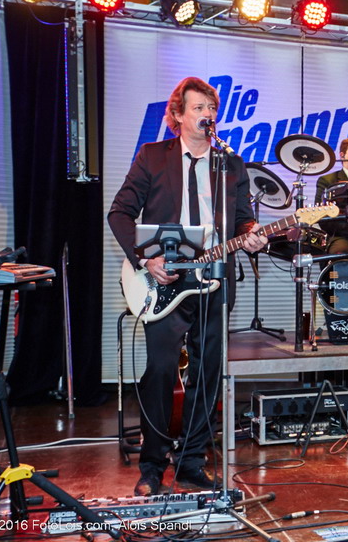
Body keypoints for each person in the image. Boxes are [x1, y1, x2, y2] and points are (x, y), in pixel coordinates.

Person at [108, 77, 268, 496]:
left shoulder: (230, 164)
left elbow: (242, 220)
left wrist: (251, 235)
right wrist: (145, 259)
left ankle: (192, 461)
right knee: (161, 369)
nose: (207, 115)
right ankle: (152, 465)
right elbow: (120, 213)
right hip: (165, 279)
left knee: (207, 373)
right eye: (198, 108)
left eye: (211, 108)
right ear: (177, 115)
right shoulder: (152, 156)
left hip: (214, 279)